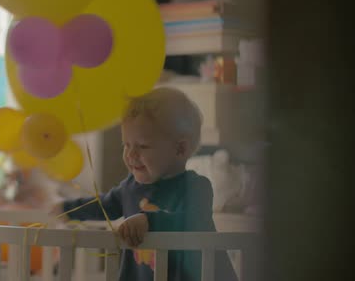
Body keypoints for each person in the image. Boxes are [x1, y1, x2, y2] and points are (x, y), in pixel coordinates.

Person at [51, 87, 237, 280]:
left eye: (142, 146)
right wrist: (68, 209)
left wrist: (149, 221)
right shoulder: (129, 188)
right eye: (126, 145)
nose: (131, 154)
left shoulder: (196, 187)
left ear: (180, 149)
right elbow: (104, 205)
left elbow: (191, 221)